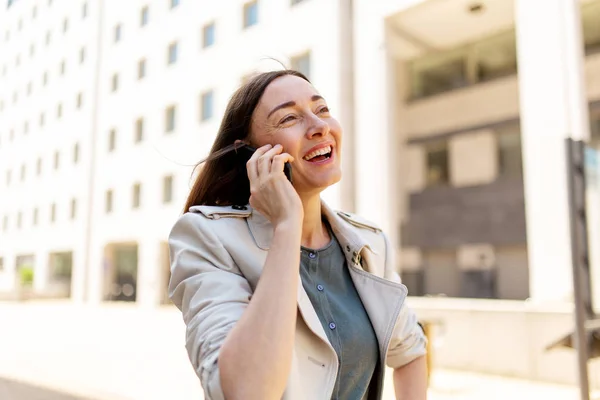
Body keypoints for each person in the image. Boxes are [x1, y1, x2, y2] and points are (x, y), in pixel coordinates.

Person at [168, 69, 428, 400]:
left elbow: (412, 350)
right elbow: (245, 392)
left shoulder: (369, 242)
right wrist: (287, 225)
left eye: (321, 110)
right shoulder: (206, 237)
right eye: (290, 118)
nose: (320, 127)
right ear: (250, 152)